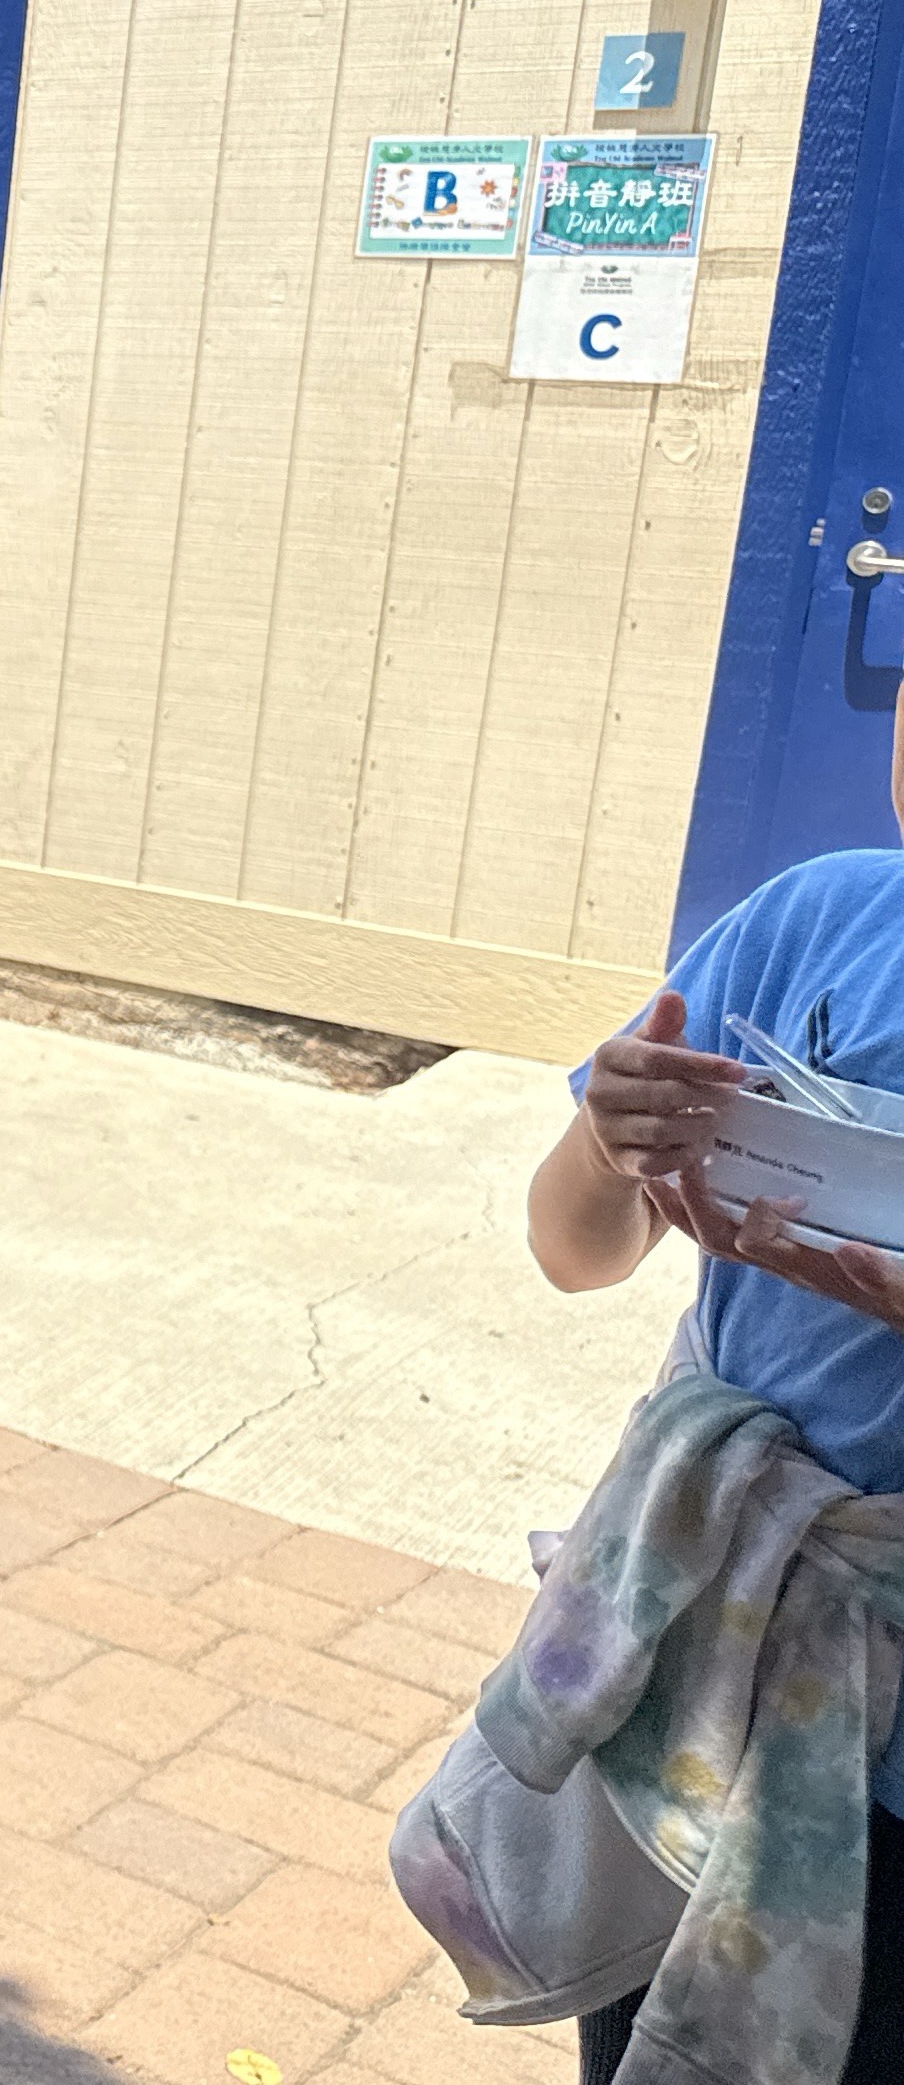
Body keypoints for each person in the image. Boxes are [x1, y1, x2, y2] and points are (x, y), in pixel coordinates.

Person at [530, 699, 904, 2079]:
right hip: (695, 1675)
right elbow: (575, 1248)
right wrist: (605, 1139)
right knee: (638, 2045)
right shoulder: (815, 923)